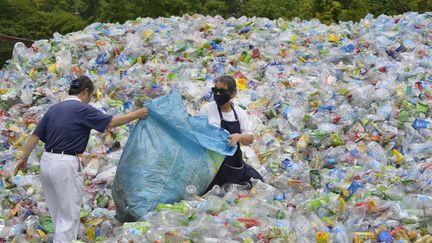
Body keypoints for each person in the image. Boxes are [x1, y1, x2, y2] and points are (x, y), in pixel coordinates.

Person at [14, 76, 148, 243]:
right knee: (69, 217)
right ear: (85, 92)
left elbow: (35, 135)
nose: (88, 101)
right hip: (64, 163)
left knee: (58, 214)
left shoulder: (55, 108)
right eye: (89, 96)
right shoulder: (82, 109)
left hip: (46, 161)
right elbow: (111, 123)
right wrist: (137, 114)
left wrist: (23, 159)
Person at [198, 75, 263, 192]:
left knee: (255, 186)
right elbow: (196, 134)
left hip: (232, 165)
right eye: (215, 90)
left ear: (232, 94)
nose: (217, 94)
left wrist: (239, 136)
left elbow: (250, 139)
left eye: (222, 91)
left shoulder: (240, 113)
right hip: (211, 165)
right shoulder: (206, 110)